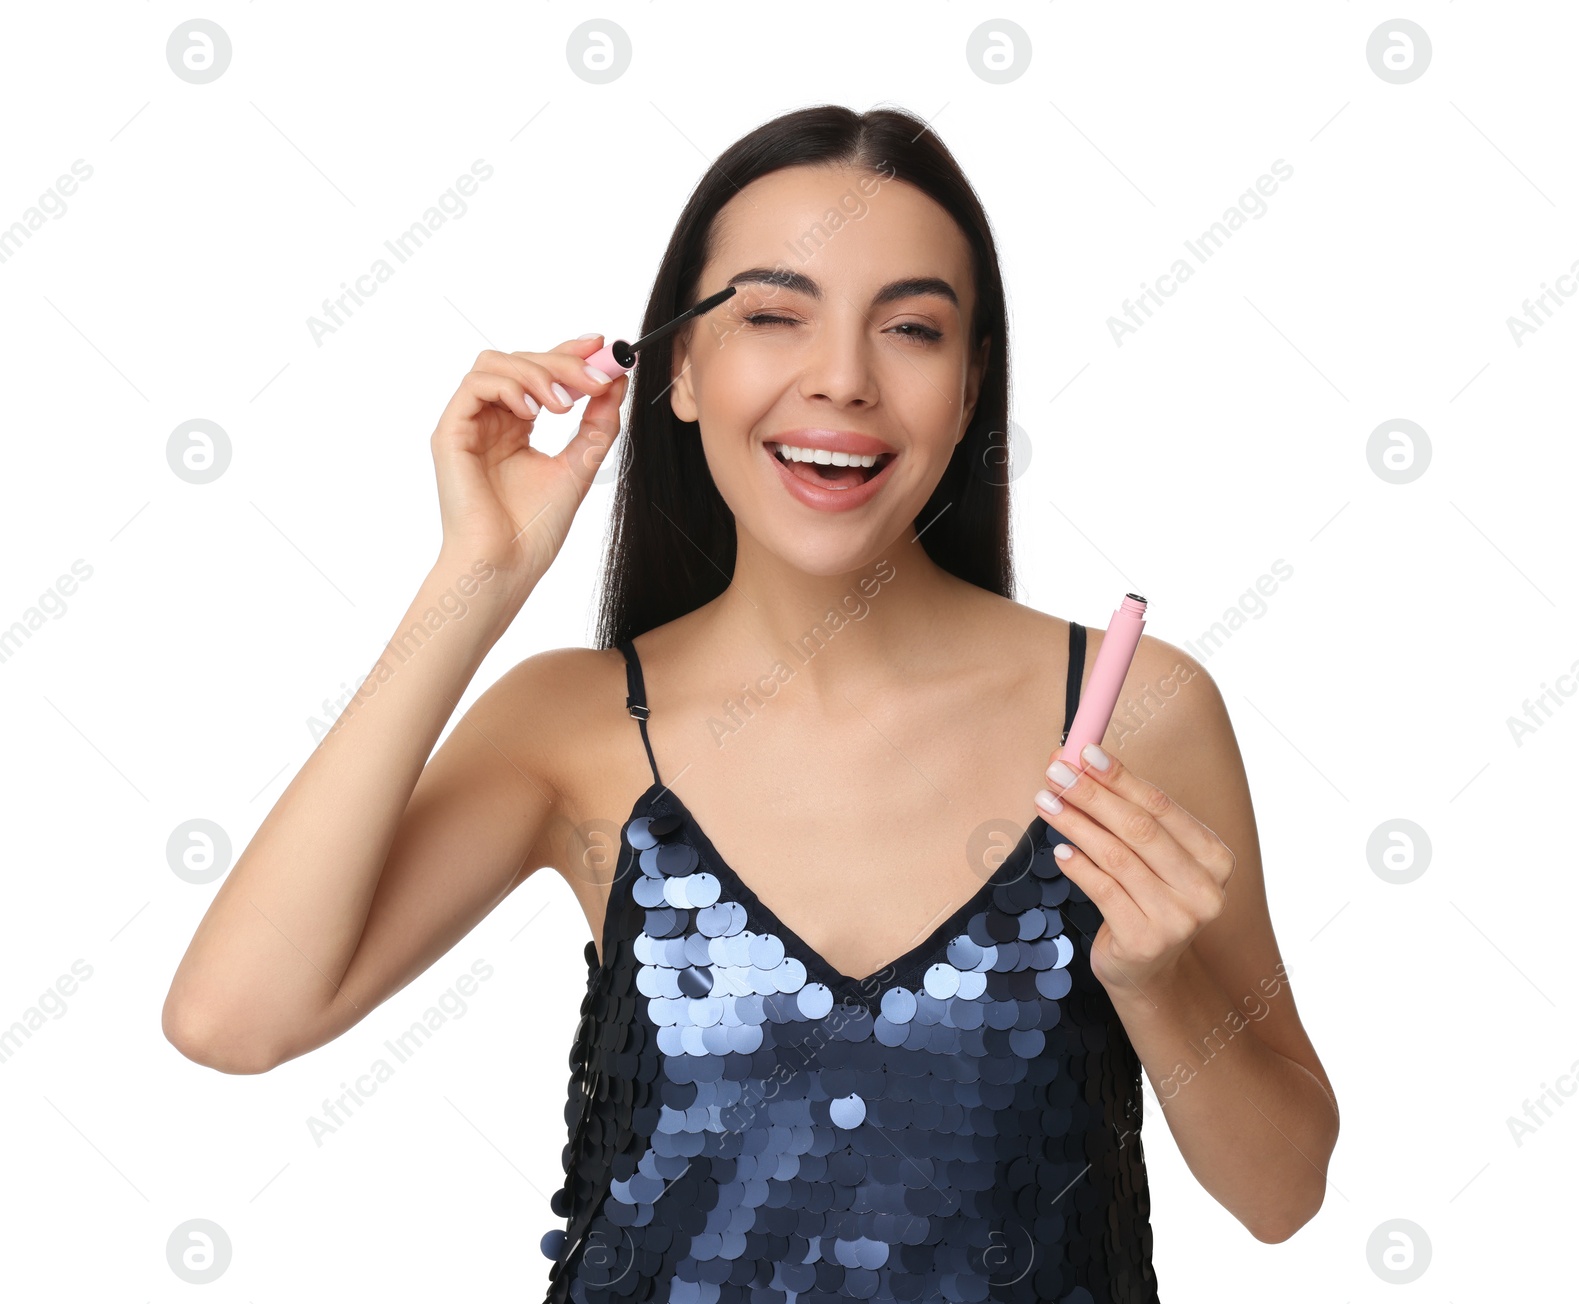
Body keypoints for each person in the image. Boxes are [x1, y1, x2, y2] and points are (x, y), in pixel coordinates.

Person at [163, 104, 1338, 1302]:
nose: (841, 377)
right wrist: (476, 579)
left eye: (913, 329)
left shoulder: (1131, 707)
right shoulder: (569, 724)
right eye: (774, 315)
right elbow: (232, 1018)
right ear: (678, 368)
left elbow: (1283, 1192)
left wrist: (1160, 984)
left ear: (971, 382)